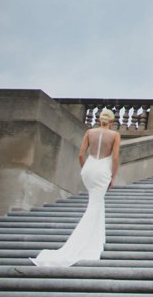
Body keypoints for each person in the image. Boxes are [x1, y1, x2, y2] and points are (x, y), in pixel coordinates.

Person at [31, 108, 121, 267]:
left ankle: (97, 237)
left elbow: (81, 155)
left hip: (89, 168)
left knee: (96, 203)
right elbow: (114, 158)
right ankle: (84, 241)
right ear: (112, 122)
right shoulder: (115, 135)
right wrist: (113, 177)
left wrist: (84, 169)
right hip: (102, 171)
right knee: (95, 204)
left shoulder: (89, 132)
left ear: (100, 119)